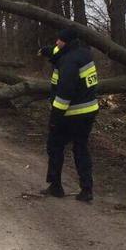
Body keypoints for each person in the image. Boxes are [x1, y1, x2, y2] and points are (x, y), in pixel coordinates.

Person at [39, 28, 99, 202]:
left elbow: (65, 94)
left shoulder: (69, 63)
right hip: (89, 111)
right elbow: (57, 51)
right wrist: (46, 51)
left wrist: (54, 118)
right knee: (81, 148)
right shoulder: (83, 53)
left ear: (67, 42)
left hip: (71, 113)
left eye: (59, 40)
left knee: (54, 146)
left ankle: (56, 186)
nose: (56, 43)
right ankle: (87, 190)